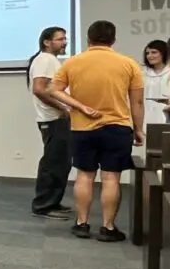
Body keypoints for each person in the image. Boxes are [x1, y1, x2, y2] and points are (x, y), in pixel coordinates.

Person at [47, 20, 144, 242]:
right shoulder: (128, 64)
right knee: (111, 178)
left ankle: (82, 224)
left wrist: (79, 106)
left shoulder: (73, 62)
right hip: (118, 127)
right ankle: (108, 227)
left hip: (83, 128)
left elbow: (53, 89)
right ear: (113, 39)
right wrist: (139, 129)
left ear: (88, 39)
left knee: (84, 175)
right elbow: (137, 102)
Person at [28, 26, 71, 218]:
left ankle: (53, 202)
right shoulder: (45, 59)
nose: (64, 42)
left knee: (61, 162)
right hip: (53, 119)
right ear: (47, 42)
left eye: (65, 39)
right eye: (60, 39)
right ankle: (43, 206)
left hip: (57, 119)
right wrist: (62, 108)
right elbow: (39, 89)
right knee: (54, 163)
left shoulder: (50, 60)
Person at [141, 39, 170, 127]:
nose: (149, 56)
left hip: (168, 114)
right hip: (146, 114)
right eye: (147, 53)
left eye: (154, 52)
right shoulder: (142, 73)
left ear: (164, 53)